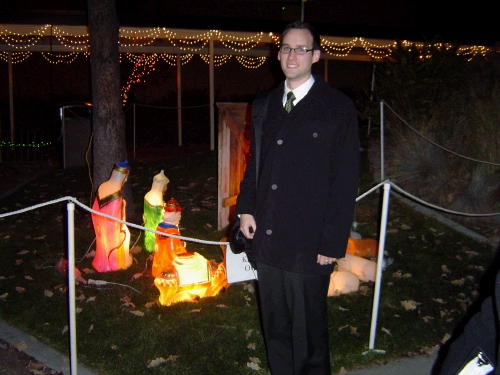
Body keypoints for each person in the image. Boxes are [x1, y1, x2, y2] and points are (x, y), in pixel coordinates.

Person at [235, 21, 360, 375]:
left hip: (310, 241)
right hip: (269, 235)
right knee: (275, 327)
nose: (292, 55)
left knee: (309, 333)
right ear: (279, 54)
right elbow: (255, 162)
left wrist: (332, 241)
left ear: (315, 56)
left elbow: (346, 179)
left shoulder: (337, 107)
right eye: (286, 48)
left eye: (301, 49)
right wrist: (245, 208)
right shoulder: (265, 103)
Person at [91, 160, 133, 272]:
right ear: (123, 176)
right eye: (126, 177)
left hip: (101, 228)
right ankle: (115, 262)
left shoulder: (102, 186)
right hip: (111, 232)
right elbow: (116, 221)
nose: (127, 180)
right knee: (127, 235)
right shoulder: (116, 193)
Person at [143, 170, 170, 253]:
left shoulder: (148, 194)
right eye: (166, 186)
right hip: (155, 227)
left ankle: (149, 245)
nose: (166, 188)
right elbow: (159, 217)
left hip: (147, 221)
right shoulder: (157, 197)